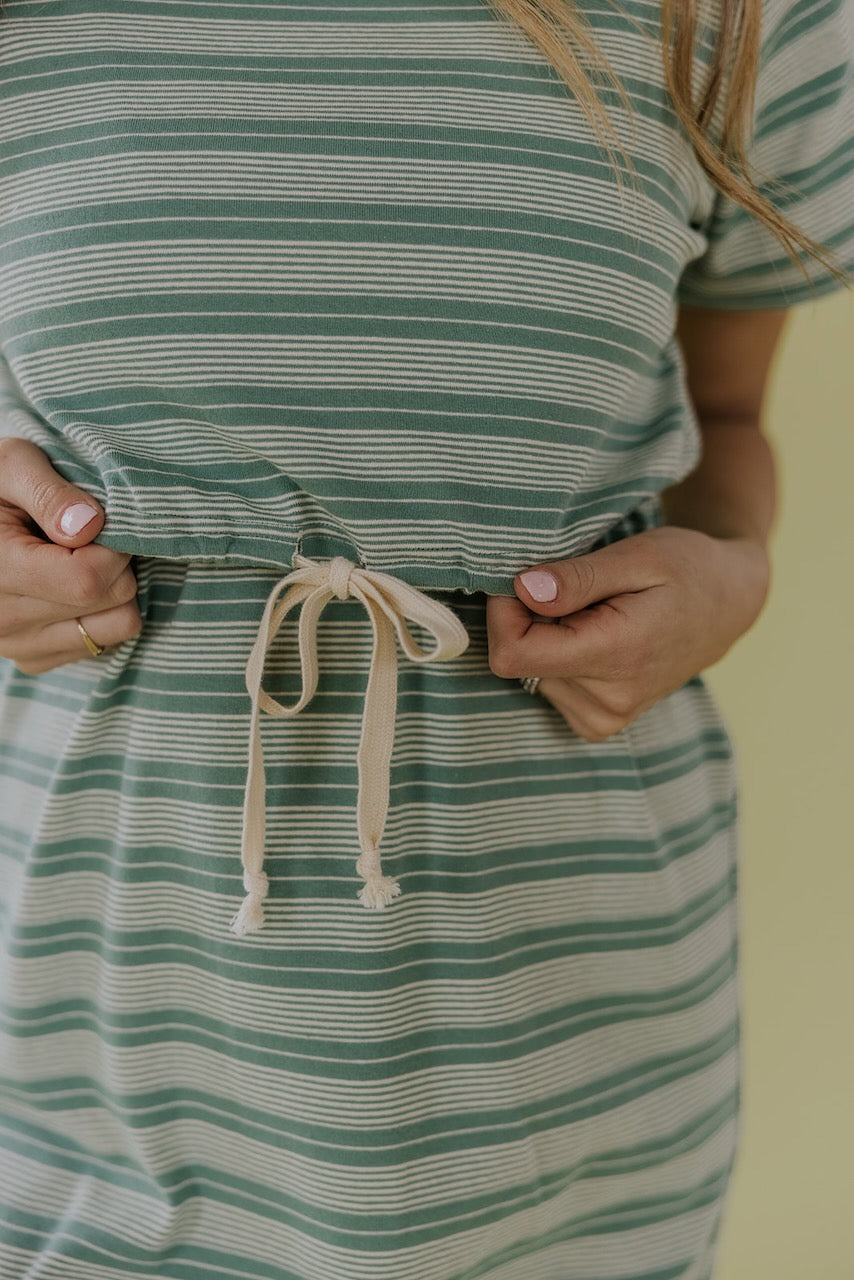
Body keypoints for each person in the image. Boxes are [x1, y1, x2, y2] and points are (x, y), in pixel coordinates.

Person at [0, 0, 851, 1276]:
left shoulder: (733, 16)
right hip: (96, 1028)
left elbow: (724, 413)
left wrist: (730, 570)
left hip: (568, 1042)